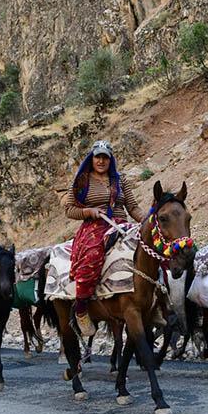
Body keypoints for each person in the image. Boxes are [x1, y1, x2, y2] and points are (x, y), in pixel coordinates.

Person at [63, 140, 145, 336]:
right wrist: (88, 211)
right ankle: (81, 308)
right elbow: (69, 209)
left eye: (105, 158)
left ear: (111, 160)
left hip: (122, 224)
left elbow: (132, 207)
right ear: (91, 158)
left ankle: (156, 302)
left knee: (152, 249)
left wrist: (147, 220)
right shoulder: (82, 180)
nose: (101, 161)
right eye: (98, 157)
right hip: (95, 226)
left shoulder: (120, 180)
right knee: (92, 256)